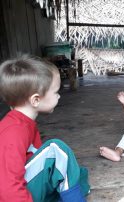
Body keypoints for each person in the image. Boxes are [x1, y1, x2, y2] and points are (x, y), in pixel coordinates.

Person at [0, 55, 90, 202]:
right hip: (13, 195)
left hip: (24, 185)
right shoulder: (13, 132)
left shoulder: (24, 123)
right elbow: (7, 187)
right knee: (57, 151)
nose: (59, 96)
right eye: (55, 92)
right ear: (36, 99)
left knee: (78, 173)